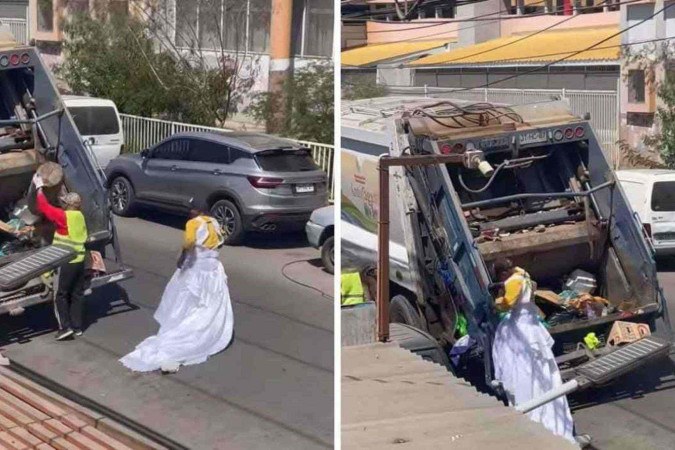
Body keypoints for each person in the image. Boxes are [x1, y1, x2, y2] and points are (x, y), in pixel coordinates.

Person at [120, 204, 234, 373]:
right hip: (213, 268)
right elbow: (221, 240)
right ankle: (207, 329)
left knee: (184, 298)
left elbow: (188, 242)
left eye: (192, 210)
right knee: (208, 302)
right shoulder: (214, 222)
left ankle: (181, 329)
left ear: (199, 211)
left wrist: (182, 257)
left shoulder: (194, 223)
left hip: (196, 267)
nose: (190, 212)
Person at [490, 258, 576, 445]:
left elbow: (506, 304)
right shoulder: (524, 274)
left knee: (521, 369)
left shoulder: (513, 282)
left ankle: (530, 409)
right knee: (541, 367)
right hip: (531, 324)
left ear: (504, 273)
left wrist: (496, 300)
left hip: (520, 327)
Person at [32, 174, 88, 341]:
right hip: (80, 261)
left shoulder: (64, 217)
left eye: (64, 202)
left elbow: (44, 207)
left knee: (61, 295)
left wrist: (39, 187)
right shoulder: (80, 216)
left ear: (68, 205)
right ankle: (77, 327)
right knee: (77, 294)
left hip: (66, 262)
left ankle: (65, 328)